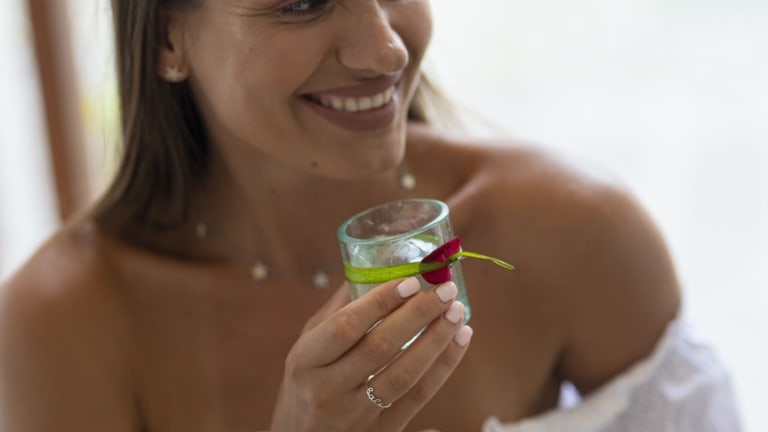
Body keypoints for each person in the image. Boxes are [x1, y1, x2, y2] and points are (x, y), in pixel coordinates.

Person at [0, 0, 741, 431]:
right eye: (302, 1)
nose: (384, 49)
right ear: (168, 37)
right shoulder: (62, 326)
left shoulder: (575, 231)